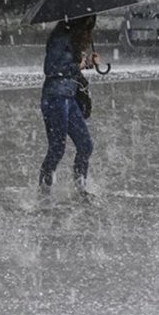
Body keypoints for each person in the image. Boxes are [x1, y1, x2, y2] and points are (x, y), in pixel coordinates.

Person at [38, 14, 100, 201]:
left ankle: (80, 189)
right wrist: (78, 64)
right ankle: (44, 194)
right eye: (88, 25)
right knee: (57, 148)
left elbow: (68, 66)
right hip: (55, 97)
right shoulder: (61, 36)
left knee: (85, 145)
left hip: (68, 96)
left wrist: (88, 62)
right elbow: (51, 68)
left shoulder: (71, 37)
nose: (90, 30)